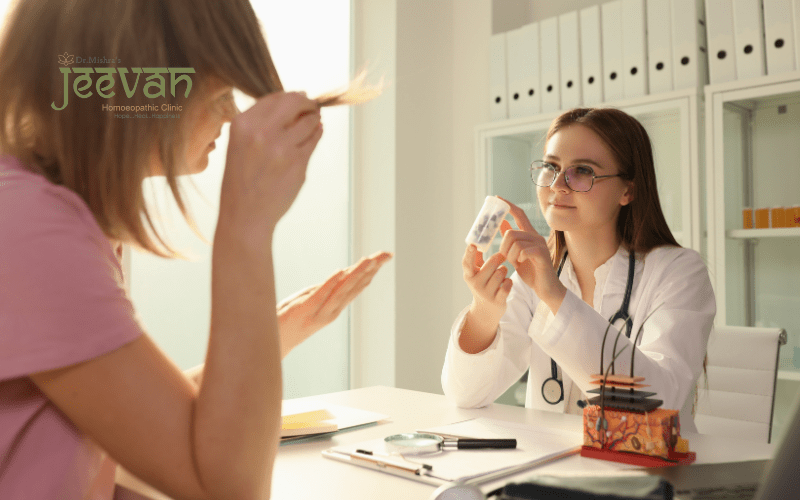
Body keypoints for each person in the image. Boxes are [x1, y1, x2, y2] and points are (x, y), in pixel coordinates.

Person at [0, 1, 389, 499]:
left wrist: (273, 336)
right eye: (222, 89)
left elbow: (126, 419)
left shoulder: (38, 213)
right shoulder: (34, 230)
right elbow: (229, 489)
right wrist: (246, 228)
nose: (230, 114)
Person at [442, 107, 715, 434]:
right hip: (554, 468)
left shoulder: (679, 272)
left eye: (582, 171)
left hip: (649, 476)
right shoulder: (537, 272)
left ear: (628, 190)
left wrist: (554, 295)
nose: (558, 185)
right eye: (551, 167)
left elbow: (656, 404)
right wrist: (484, 310)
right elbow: (465, 394)